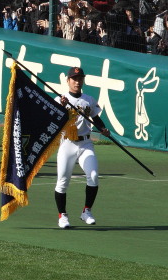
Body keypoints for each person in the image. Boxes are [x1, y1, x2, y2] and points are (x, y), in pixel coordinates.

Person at [54, 67, 111, 229]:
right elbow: (54, 119)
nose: (77, 82)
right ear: (68, 80)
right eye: (74, 79)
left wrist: (103, 129)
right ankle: (62, 215)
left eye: (80, 79)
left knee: (93, 175)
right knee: (63, 181)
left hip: (85, 143)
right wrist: (61, 107)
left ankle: (87, 211)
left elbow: (95, 118)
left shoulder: (89, 100)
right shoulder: (60, 100)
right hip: (67, 143)